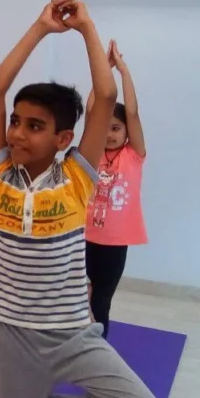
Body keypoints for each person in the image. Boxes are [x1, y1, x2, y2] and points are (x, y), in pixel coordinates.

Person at [0, 0, 162, 398]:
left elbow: (107, 96)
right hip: (6, 329)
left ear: (63, 139)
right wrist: (40, 28)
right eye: (16, 122)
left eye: (34, 126)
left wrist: (86, 28)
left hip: (70, 332)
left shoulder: (77, 178)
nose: (17, 134)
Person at [84, 40, 147, 339]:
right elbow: (91, 110)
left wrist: (122, 71)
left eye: (116, 128)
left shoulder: (134, 155)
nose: (109, 134)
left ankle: (96, 350)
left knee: (101, 301)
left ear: (125, 131)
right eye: (105, 127)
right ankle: (74, 348)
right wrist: (104, 71)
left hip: (114, 243)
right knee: (79, 299)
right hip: (83, 237)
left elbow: (132, 113)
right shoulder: (92, 151)